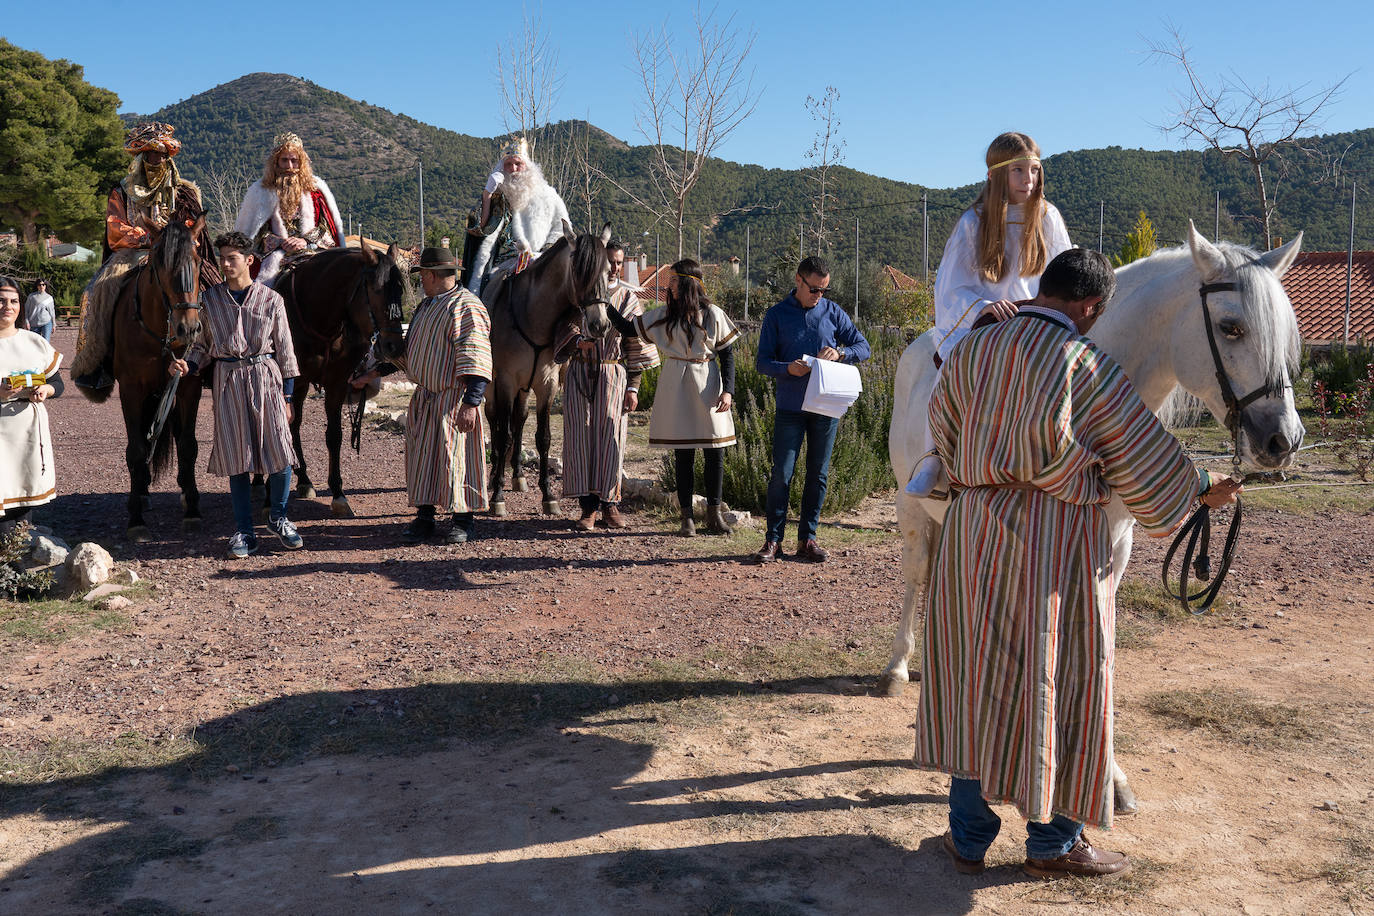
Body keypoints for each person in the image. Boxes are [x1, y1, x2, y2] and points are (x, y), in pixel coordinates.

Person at [916, 248, 1242, 879]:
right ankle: (1054, 843)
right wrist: (1203, 484)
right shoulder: (1084, 365)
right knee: (1065, 681)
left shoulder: (972, 351)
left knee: (972, 678)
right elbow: (1139, 449)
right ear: (1093, 307)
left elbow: (942, 428)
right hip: (1054, 546)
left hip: (971, 536)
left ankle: (968, 835)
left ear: (1047, 288)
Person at [907, 131, 1072, 497]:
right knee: (951, 369)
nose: (1028, 179)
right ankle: (934, 456)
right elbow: (951, 287)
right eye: (1018, 171)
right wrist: (984, 306)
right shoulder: (973, 222)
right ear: (996, 175)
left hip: (1039, 320)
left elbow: (1062, 271)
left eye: (1033, 170)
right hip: (987, 324)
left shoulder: (1048, 217)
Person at [169, 232, 302, 559]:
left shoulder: (272, 300)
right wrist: (188, 364)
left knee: (281, 453)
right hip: (228, 380)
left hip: (266, 378)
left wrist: (287, 397)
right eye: (223, 258)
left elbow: (285, 352)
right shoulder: (210, 300)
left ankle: (279, 517)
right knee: (237, 458)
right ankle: (244, 531)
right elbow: (202, 346)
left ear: (249, 260)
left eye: (233, 258)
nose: (227, 264)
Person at [72, 122, 216, 390]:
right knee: (95, 292)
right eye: (151, 155)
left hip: (177, 252)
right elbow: (115, 228)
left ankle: (216, 356)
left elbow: (193, 225)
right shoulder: (121, 191)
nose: (157, 160)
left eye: (162, 155)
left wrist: (172, 238)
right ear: (140, 158)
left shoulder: (185, 191)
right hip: (133, 252)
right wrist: (147, 236)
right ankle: (96, 361)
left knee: (213, 286)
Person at [752, 256, 870, 563]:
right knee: (782, 474)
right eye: (815, 289)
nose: (819, 296)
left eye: (824, 290)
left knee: (818, 475)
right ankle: (773, 541)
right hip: (790, 407)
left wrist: (841, 352)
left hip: (825, 407)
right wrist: (787, 369)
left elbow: (863, 346)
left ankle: (808, 539)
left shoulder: (832, 312)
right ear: (798, 280)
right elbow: (762, 362)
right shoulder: (776, 315)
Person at [616, 259, 737, 537]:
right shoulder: (664, 316)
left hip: (708, 382)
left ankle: (714, 515)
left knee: (714, 452)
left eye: (672, 280)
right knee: (684, 453)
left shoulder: (713, 314)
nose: (668, 285)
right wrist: (601, 303)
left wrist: (728, 391)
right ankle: (687, 519)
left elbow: (728, 355)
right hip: (676, 381)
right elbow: (626, 328)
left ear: (685, 282)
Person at [553, 241, 660, 531]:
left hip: (613, 373)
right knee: (580, 439)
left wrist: (633, 387)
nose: (614, 267)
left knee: (612, 440)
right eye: (609, 262)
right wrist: (577, 342)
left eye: (618, 263)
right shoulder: (577, 293)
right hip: (579, 373)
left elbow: (635, 342)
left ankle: (610, 505)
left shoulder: (627, 298)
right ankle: (587, 509)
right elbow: (562, 328)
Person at [396, 247, 493, 545]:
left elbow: (475, 354)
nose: (420, 281)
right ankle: (425, 518)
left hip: (454, 398)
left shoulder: (466, 306)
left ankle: (463, 520)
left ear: (431, 275)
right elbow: (415, 349)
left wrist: (471, 402)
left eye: (422, 275)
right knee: (423, 459)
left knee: (457, 458)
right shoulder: (426, 306)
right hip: (426, 397)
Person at [235, 132, 347, 286]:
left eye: (294, 161)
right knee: (262, 286)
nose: (289, 166)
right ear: (276, 162)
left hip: (312, 249)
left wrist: (305, 240)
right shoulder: (260, 191)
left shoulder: (316, 191)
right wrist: (280, 242)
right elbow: (254, 233)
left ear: (301, 163)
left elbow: (326, 228)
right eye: (284, 160)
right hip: (273, 253)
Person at [464, 136, 572, 296]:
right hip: (501, 264)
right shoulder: (498, 195)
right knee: (489, 296)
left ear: (527, 166)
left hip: (540, 259)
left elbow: (562, 228)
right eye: (508, 165)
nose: (513, 169)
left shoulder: (548, 195)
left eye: (518, 164)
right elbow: (477, 229)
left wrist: (544, 253)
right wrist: (487, 194)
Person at [0, 276, 63, 526]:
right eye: (1, 300)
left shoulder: (34, 342)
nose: (8, 306)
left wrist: (46, 389)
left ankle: (18, 559)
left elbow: (58, 383)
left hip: (26, 433)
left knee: (23, 501)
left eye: (14, 301)